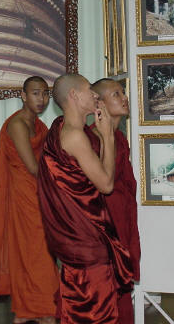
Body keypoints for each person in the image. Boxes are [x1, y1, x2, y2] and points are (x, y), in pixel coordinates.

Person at [38, 74, 134, 324]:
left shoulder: (60, 127)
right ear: (74, 96)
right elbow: (105, 184)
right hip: (86, 242)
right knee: (96, 312)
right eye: (89, 90)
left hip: (77, 239)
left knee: (78, 310)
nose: (94, 96)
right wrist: (108, 137)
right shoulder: (75, 136)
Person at [0, 76, 59, 324]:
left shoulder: (39, 125)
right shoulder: (17, 124)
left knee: (39, 252)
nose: (42, 99)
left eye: (45, 94)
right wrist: (64, 181)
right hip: (26, 195)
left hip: (39, 193)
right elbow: (34, 167)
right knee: (35, 252)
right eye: (36, 94)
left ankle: (34, 310)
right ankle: (40, 310)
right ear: (23, 95)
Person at [91, 78, 141, 324]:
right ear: (98, 103)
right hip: (104, 225)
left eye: (123, 92)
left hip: (122, 218)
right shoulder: (92, 138)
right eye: (116, 94)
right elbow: (100, 184)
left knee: (121, 287)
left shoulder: (119, 138)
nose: (124, 98)